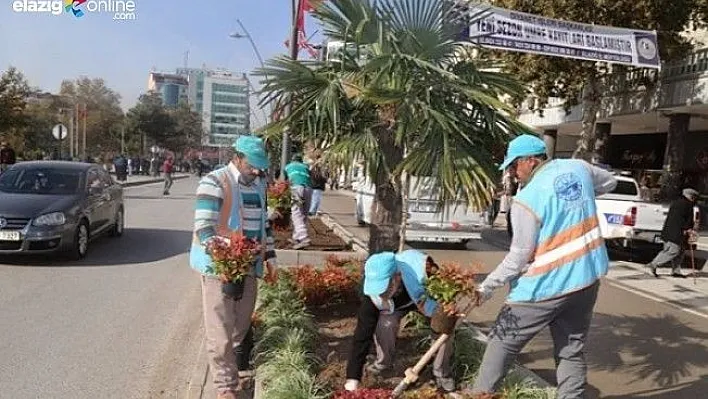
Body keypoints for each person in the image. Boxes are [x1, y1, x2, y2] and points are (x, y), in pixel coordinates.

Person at [468, 134, 617, 398]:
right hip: (586, 281)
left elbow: (518, 258)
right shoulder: (578, 168)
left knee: (501, 342)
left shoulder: (526, 200)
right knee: (570, 349)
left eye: (514, 166)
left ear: (531, 160)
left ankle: (481, 394)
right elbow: (611, 181)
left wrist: (487, 287)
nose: (513, 173)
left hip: (545, 287)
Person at [189, 136, 277, 399]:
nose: (258, 171)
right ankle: (225, 386)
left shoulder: (260, 185)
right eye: (253, 165)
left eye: (261, 166)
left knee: (240, 324)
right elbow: (204, 229)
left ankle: (230, 368)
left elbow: (265, 225)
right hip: (220, 265)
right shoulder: (214, 181)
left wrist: (270, 258)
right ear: (238, 157)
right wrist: (227, 256)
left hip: (249, 265)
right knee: (220, 330)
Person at [344, 250, 458, 393]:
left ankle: (441, 373)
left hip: (424, 298)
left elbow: (447, 292)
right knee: (385, 324)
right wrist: (352, 379)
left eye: (384, 288)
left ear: (397, 277)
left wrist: (446, 311)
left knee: (444, 329)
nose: (380, 294)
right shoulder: (371, 296)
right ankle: (384, 362)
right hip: (396, 307)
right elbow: (361, 337)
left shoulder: (425, 272)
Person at [646, 188, 700, 278]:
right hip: (676, 233)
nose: (694, 199)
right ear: (691, 196)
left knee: (679, 251)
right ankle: (654, 264)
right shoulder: (687, 205)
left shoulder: (676, 202)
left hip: (669, 231)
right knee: (673, 251)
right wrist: (689, 229)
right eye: (694, 197)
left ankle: (676, 271)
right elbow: (686, 220)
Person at [284, 154, 313, 249]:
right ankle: (297, 237)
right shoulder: (305, 166)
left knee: (296, 213)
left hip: (296, 187)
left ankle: (304, 237)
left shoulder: (288, 166)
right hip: (308, 188)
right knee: (304, 213)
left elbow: (284, 181)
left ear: (292, 160)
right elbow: (310, 177)